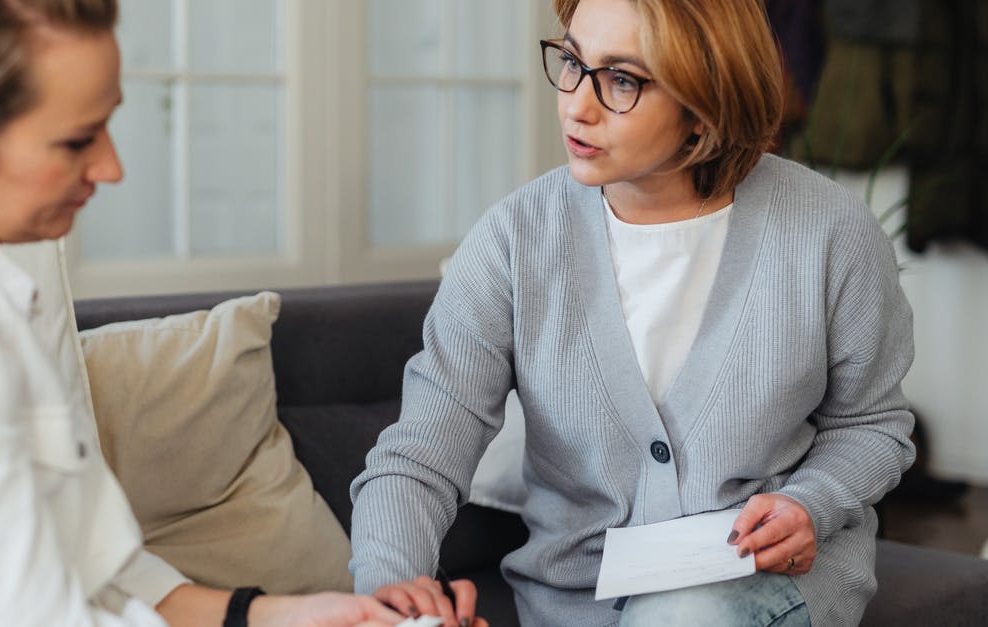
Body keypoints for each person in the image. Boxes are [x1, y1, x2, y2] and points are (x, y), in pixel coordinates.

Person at [0, 2, 405, 626]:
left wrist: (283, 617)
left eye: (106, 126)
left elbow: (96, 572)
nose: (112, 167)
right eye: (78, 139)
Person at [348, 0, 915, 625]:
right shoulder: (515, 241)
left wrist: (813, 502)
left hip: (762, 587)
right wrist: (392, 588)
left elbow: (871, 424)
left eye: (621, 80)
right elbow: (420, 455)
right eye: (571, 61)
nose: (575, 105)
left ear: (705, 106)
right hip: (572, 605)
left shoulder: (830, 233)